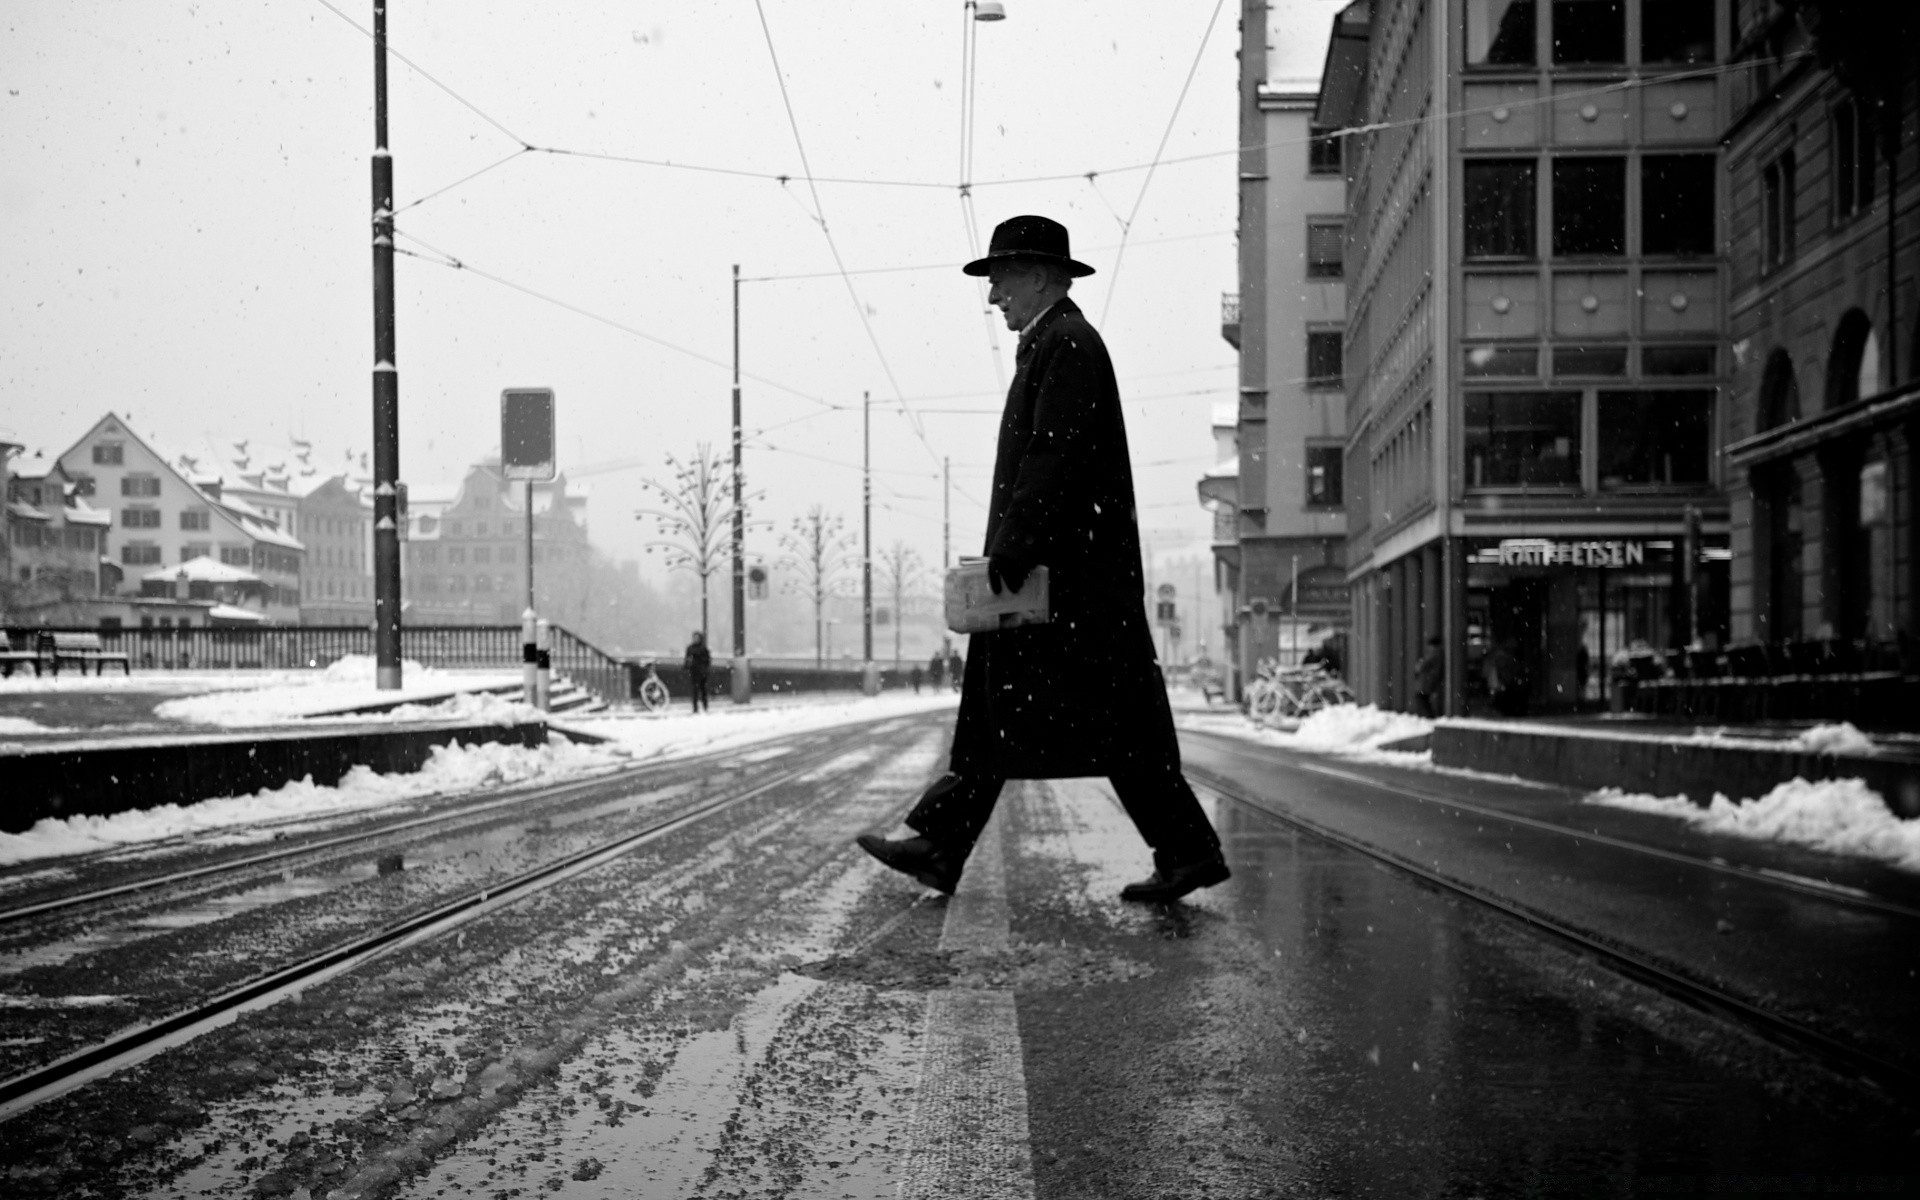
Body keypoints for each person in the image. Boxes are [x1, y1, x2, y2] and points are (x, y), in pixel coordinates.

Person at [857, 215, 1229, 904]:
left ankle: (947, 843)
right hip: (1074, 582)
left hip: (1066, 583)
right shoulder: (1055, 343)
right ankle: (1183, 850)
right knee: (1082, 722)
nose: (994, 294)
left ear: (1036, 275)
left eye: (1000, 279)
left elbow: (1053, 453)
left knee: (1039, 713)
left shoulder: (1068, 343)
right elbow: (1051, 455)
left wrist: (1014, 544)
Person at [1414, 634, 1445, 718]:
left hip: (1427, 679)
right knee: (1424, 697)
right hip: (1430, 679)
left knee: (1422, 697)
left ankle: (1428, 716)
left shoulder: (1433, 652)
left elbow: (1424, 664)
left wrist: (1418, 666)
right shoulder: (1439, 652)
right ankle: (1428, 715)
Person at [683, 630, 711, 713]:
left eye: (697, 638)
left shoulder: (703, 648)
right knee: (695, 690)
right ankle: (696, 708)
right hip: (694, 672)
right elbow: (687, 659)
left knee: (703, 690)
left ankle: (704, 706)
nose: (695, 639)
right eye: (694, 638)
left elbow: (707, 660)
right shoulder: (690, 648)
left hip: (702, 672)